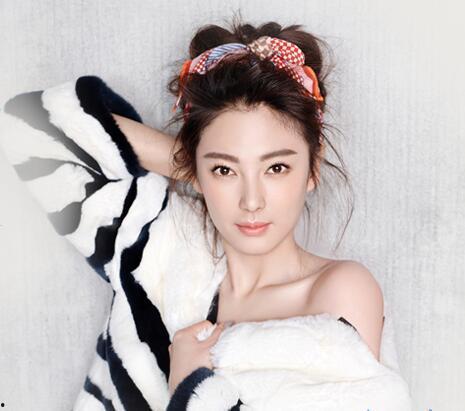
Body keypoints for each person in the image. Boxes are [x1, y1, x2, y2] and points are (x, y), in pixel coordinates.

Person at [0, 17, 412, 411]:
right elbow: (29, 128)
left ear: (312, 169)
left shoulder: (339, 290)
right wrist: (192, 165)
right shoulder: (163, 259)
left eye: (276, 168)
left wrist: (189, 385)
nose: (252, 200)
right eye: (225, 170)